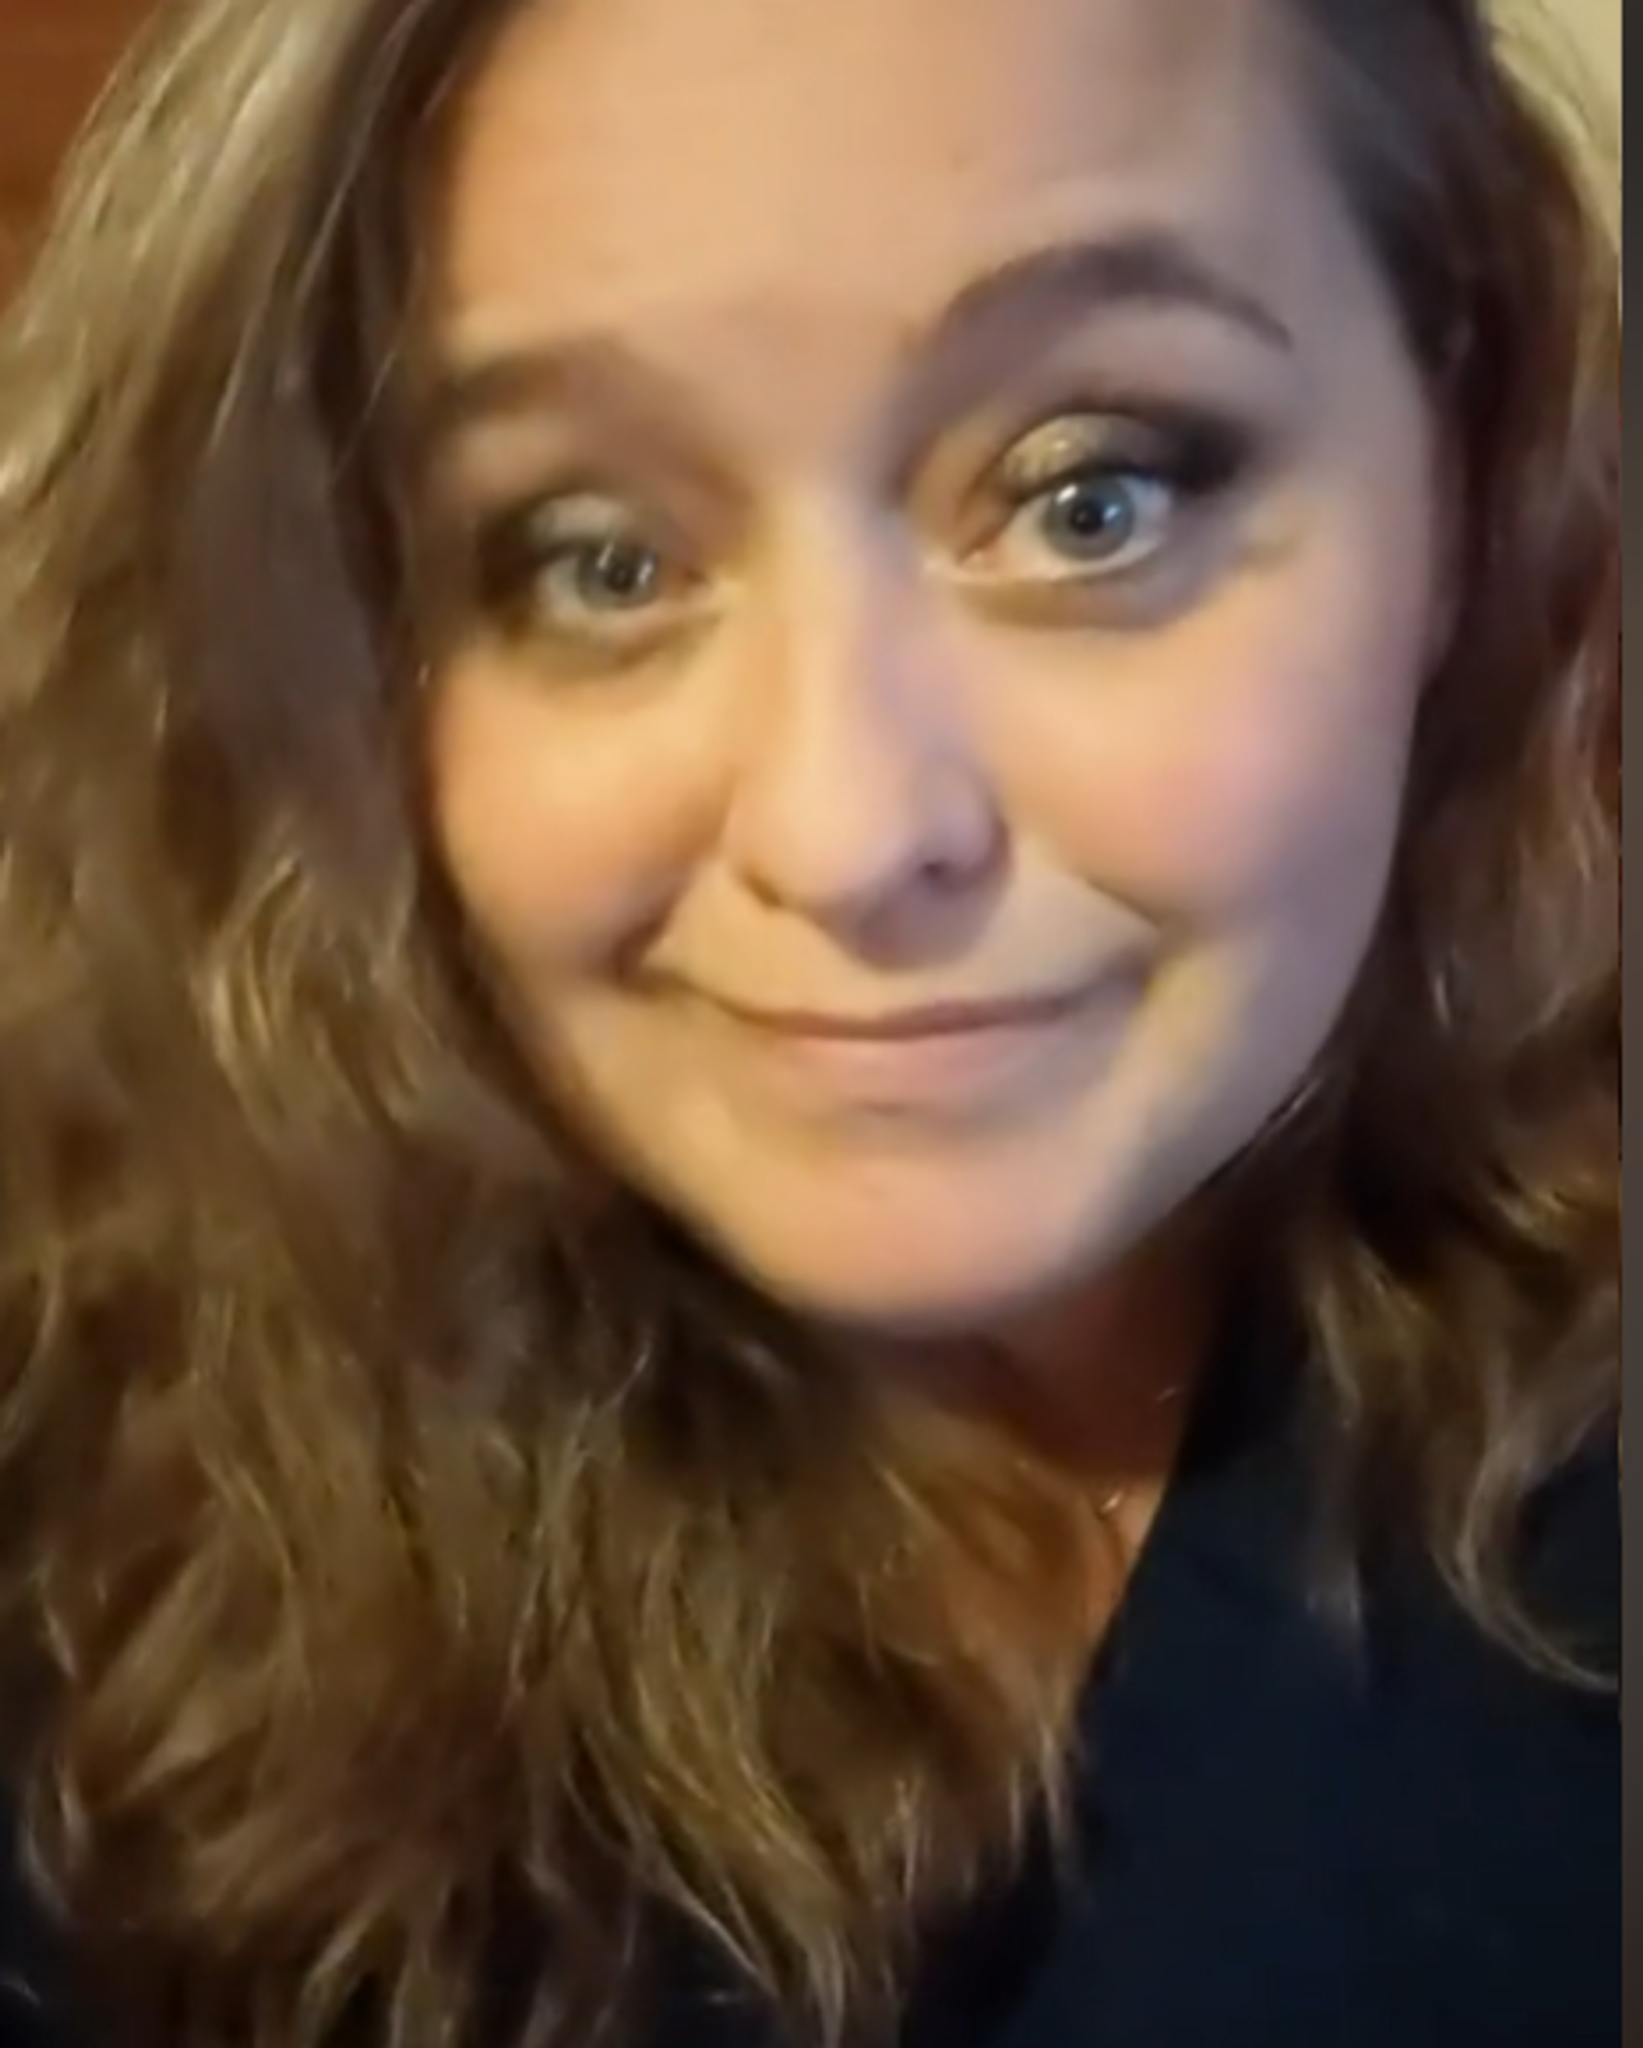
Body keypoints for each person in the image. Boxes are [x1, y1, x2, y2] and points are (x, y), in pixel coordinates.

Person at [0, 0, 1619, 2042]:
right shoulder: (82, 1499)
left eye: (1091, 496)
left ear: (1463, 477)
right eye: (596, 560)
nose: (847, 833)